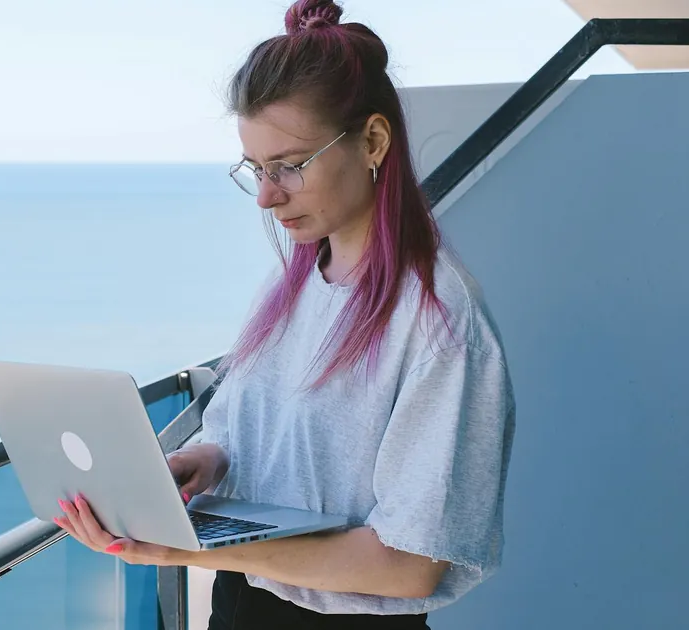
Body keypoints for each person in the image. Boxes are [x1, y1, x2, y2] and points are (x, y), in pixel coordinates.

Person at [54, 0, 516, 627]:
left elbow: (410, 565)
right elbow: (250, 432)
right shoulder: (294, 283)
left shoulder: (438, 322)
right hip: (243, 603)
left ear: (373, 141)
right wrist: (206, 461)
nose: (267, 197)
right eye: (257, 169)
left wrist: (190, 549)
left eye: (290, 166)